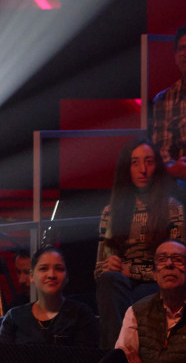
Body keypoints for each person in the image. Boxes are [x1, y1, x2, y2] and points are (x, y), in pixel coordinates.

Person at [95, 138, 186, 348]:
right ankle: (118, 354)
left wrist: (132, 271)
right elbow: (98, 270)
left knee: (142, 295)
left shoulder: (173, 209)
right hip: (121, 283)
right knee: (109, 281)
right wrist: (109, 266)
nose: (143, 170)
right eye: (135, 163)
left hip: (157, 282)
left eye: (149, 162)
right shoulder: (110, 212)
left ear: (157, 167)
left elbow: (178, 266)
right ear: (126, 168)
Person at [0, 246, 99, 347]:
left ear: (67, 276)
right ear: (32, 276)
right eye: (43, 269)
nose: (51, 275)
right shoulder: (14, 317)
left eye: (58, 269)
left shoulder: (81, 315)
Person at [115, 239, 186, 362]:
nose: (169, 264)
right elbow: (125, 357)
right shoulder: (136, 312)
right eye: (161, 260)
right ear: (154, 274)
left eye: (178, 260)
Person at [151, 25, 186, 185]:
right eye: (182, 48)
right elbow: (161, 152)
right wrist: (173, 169)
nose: (185, 53)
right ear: (175, 57)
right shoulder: (165, 99)